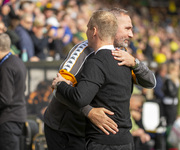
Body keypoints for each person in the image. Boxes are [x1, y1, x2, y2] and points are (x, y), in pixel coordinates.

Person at [44, 7, 156, 150]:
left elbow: (150, 82)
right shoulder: (83, 51)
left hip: (93, 135)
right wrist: (89, 112)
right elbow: (57, 88)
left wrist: (135, 63)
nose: (131, 34)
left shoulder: (121, 54)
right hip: (65, 130)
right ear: (112, 25)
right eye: (127, 29)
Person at [0, 33, 27, 150]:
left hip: (8, 119)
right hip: (18, 116)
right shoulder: (18, 61)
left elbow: (4, 98)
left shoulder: (6, 66)